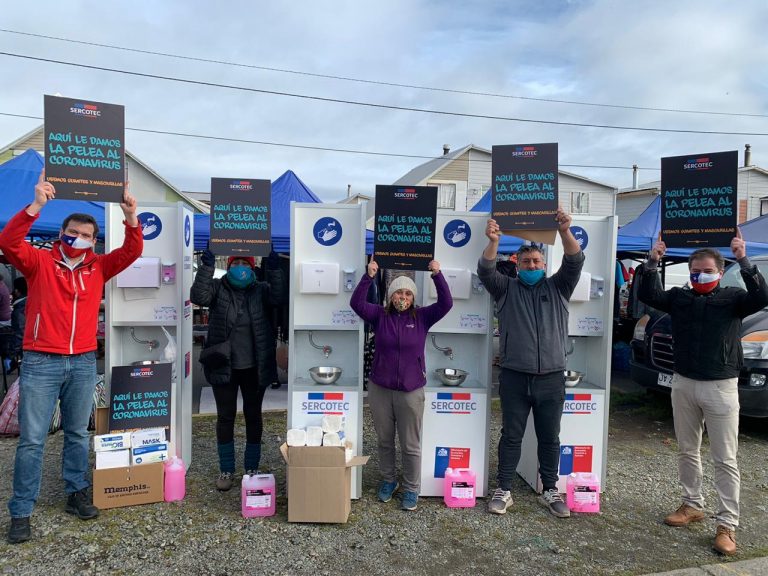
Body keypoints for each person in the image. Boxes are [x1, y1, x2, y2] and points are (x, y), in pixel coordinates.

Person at [1, 170, 142, 544]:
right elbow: (9, 241)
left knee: (78, 432)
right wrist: (35, 206)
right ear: (62, 234)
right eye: (73, 232)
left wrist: (130, 217)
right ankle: (21, 510)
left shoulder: (99, 266)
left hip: (82, 361)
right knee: (32, 439)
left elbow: (132, 252)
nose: (79, 238)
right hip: (40, 361)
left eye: (86, 235)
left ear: (95, 240)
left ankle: (76, 492)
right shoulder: (39, 263)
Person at [639, 232, 768, 556]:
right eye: (695, 270)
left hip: (720, 387)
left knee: (725, 459)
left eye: (707, 270)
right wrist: (654, 260)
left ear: (720, 272)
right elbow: (648, 292)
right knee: (687, 450)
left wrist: (743, 258)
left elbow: (762, 296)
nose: (700, 275)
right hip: (683, 383)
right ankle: (692, 504)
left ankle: (727, 525)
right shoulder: (681, 298)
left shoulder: (734, 298)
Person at [477, 209, 584, 518]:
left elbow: (575, 261)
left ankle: (550, 489)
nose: (532, 265)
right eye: (526, 262)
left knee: (550, 437)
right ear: (517, 265)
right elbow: (485, 270)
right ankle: (504, 489)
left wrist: (565, 232)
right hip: (514, 376)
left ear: (544, 264)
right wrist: (493, 241)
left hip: (551, 378)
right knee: (511, 435)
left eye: (536, 261)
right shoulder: (506, 289)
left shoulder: (559, 287)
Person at [350, 259, 452, 511]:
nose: (402, 296)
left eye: (407, 293)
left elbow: (446, 303)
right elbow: (356, 304)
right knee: (384, 440)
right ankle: (388, 480)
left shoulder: (422, 317)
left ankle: (411, 488)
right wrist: (369, 276)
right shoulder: (379, 315)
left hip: (411, 390)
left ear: (413, 296)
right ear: (390, 295)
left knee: (410, 444)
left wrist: (437, 274)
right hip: (380, 389)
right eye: (398, 292)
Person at [190, 248, 284, 491]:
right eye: (236, 262)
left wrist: (273, 267)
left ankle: (251, 467)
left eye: (245, 262)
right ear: (229, 265)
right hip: (224, 365)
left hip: (255, 366)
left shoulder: (261, 290)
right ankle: (227, 469)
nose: (240, 266)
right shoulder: (218, 287)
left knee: (253, 416)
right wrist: (207, 265)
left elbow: (279, 296)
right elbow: (198, 295)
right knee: (225, 416)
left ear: (252, 267)